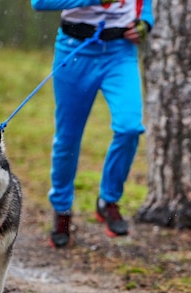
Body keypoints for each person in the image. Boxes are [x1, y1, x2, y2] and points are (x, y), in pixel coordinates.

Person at [31, 0, 154, 248]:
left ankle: (108, 200)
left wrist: (146, 22)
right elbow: (39, 2)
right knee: (68, 139)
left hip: (120, 53)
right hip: (75, 50)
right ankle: (62, 210)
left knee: (129, 127)